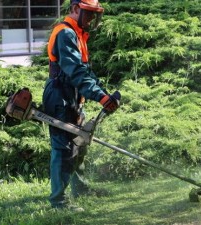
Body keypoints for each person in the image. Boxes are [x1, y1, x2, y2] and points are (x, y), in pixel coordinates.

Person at [42, 0, 120, 211]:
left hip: (72, 96)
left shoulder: (77, 34)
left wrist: (103, 93)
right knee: (63, 148)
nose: (92, 18)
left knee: (80, 143)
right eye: (88, 13)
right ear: (75, 9)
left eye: (95, 14)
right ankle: (58, 201)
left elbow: (85, 71)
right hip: (60, 96)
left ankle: (81, 188)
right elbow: (75, 72)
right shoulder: (66, 34)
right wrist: (100, 97)